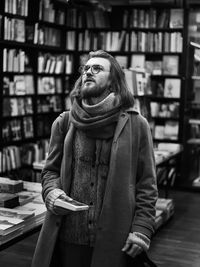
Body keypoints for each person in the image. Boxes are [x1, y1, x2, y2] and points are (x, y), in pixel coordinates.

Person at [31, 50, 158, 267]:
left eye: (97, 68)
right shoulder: (63, 123)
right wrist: (51, 192)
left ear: (113, 81)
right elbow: (50, 171)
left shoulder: (136, 125)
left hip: (116, 236)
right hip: (69, 236)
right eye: (86, 69)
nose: (88, 72)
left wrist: (142, 229)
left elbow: (146, 184)